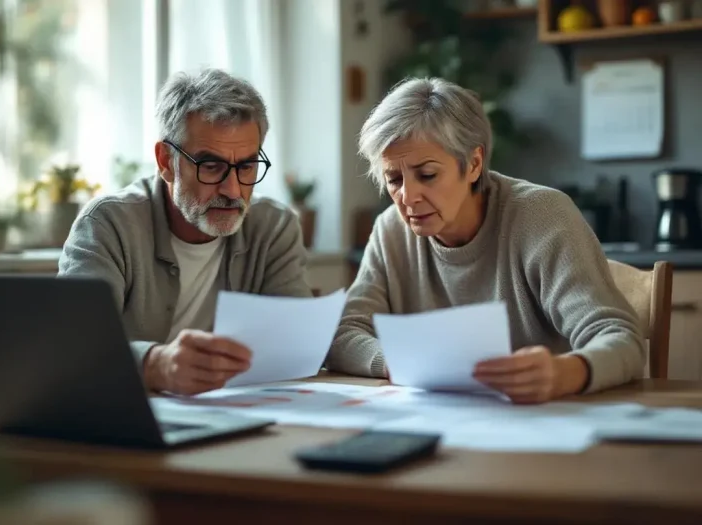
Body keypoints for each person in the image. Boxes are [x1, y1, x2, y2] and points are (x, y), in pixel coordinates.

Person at [326, 77, 646, 404]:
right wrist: (395, 361)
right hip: (439, 420)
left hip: (544, 417)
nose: (408, 197)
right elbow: (342, 335)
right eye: (394, 179)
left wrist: (564, 373)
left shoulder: (542, 216)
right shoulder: (390, 230)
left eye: (427, 175)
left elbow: (622, 339)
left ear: (474, 164)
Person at [59, 69, 313, 395]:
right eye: (211, 166)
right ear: (166, 161)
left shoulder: (275, 226)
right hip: (128, 414)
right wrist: (156, 366)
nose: (233, 190)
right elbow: (73, 345)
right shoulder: (107, 224)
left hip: (237, 411)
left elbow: (295, 345)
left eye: (246, 167)